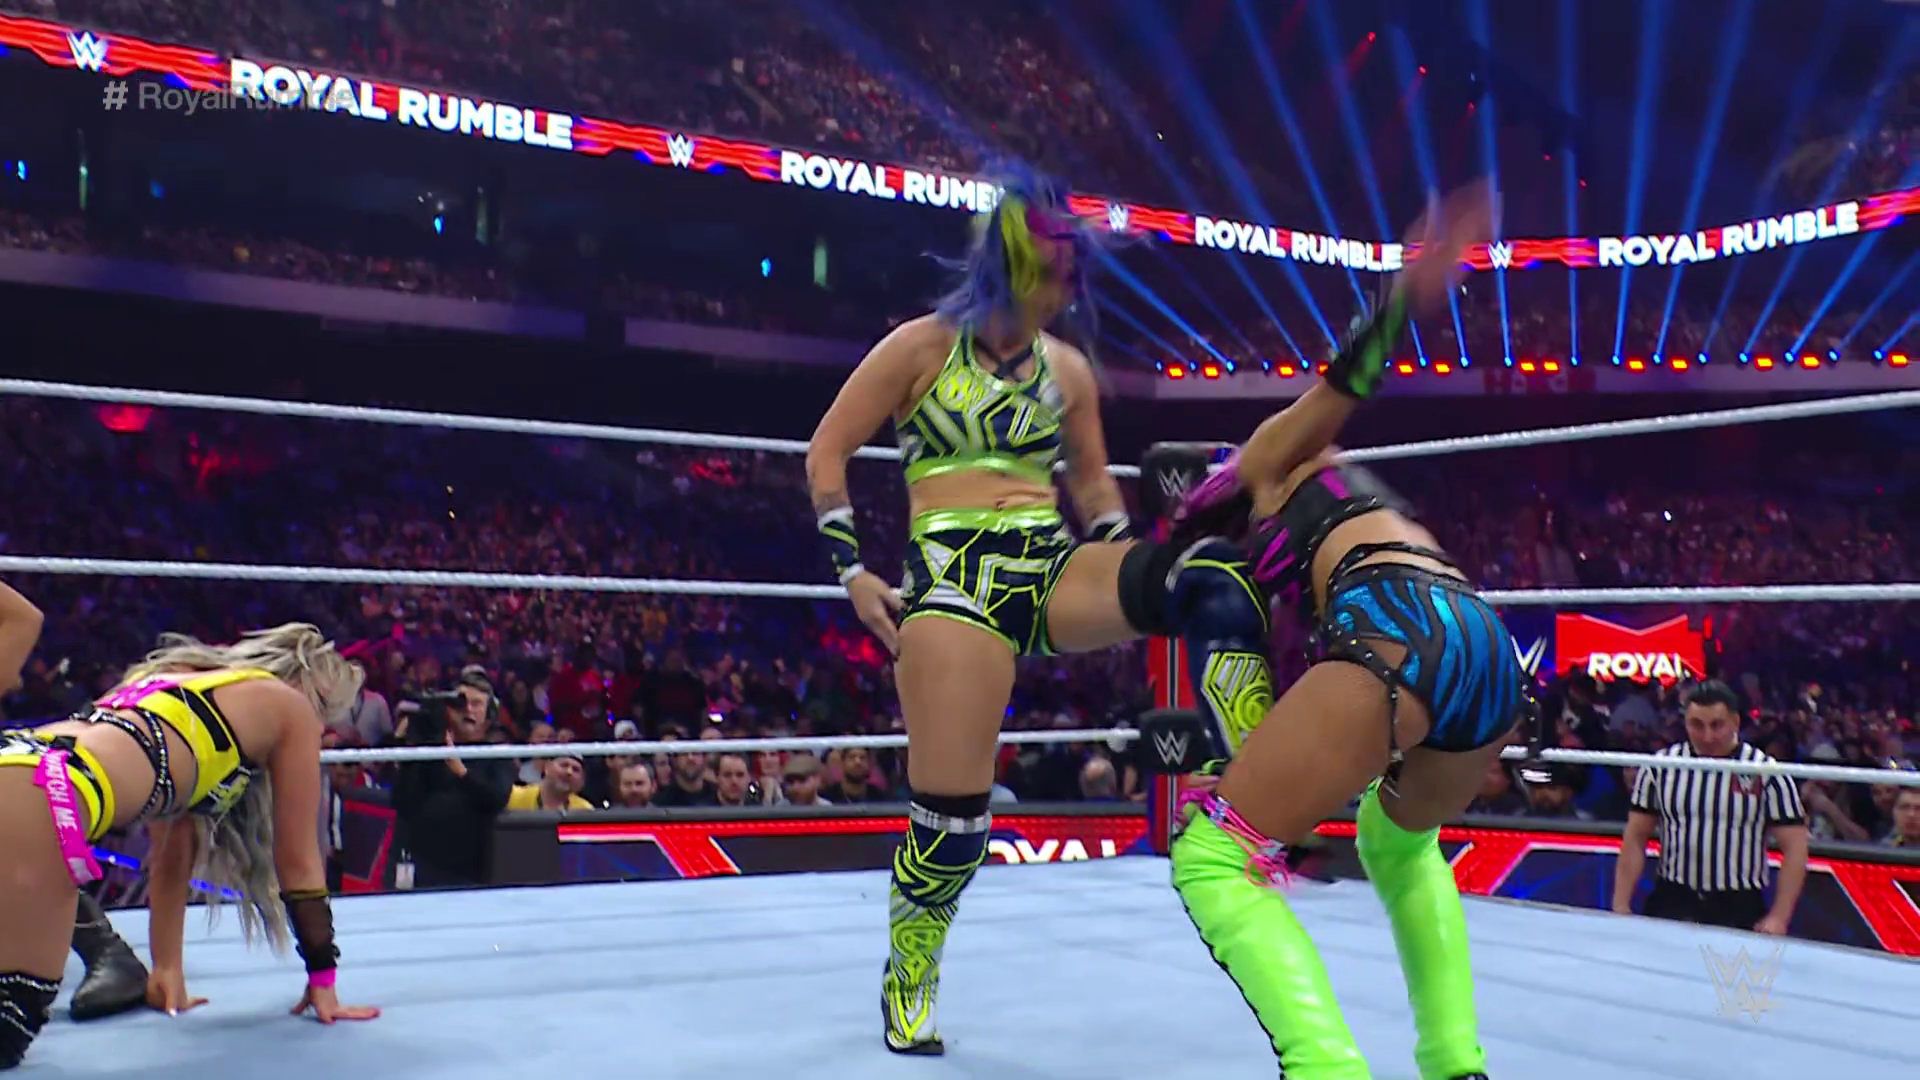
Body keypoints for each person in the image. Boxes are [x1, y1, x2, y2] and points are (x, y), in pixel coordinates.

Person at [807, 167, 1276, 1055]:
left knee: (1210, 580)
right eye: (1058, 270)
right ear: (1017, 264)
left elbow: (1092, 484)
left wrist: (1126, 559)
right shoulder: (918, 348)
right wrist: (854, 573)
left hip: (1049, 564)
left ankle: (1256, 794)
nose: (1069, 288)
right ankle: (912, 965)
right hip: (952, 580)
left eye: (1074, 272)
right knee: (954, 822)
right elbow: (827, 452)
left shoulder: (1068, 369)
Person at [1156, 182, 1510, 1080]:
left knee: (1212, 857)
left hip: (1395, 627)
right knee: (1399, 839)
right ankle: (1455, 1062)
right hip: (1483, 642)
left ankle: (1327, 1069)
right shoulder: (1321, 498)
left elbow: (1343, 383)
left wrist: (1401, 300)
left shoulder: (1270, 460)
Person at [0, 605, 380, 1068]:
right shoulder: (290, 709)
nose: (322, 732)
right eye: (327, 715)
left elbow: (172, 853)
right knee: (8, 1029)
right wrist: (323, 980)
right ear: (314, 691)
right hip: (48, 796)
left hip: (19, 758)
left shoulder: (172, 683)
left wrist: (167, 969)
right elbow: (299, 862)